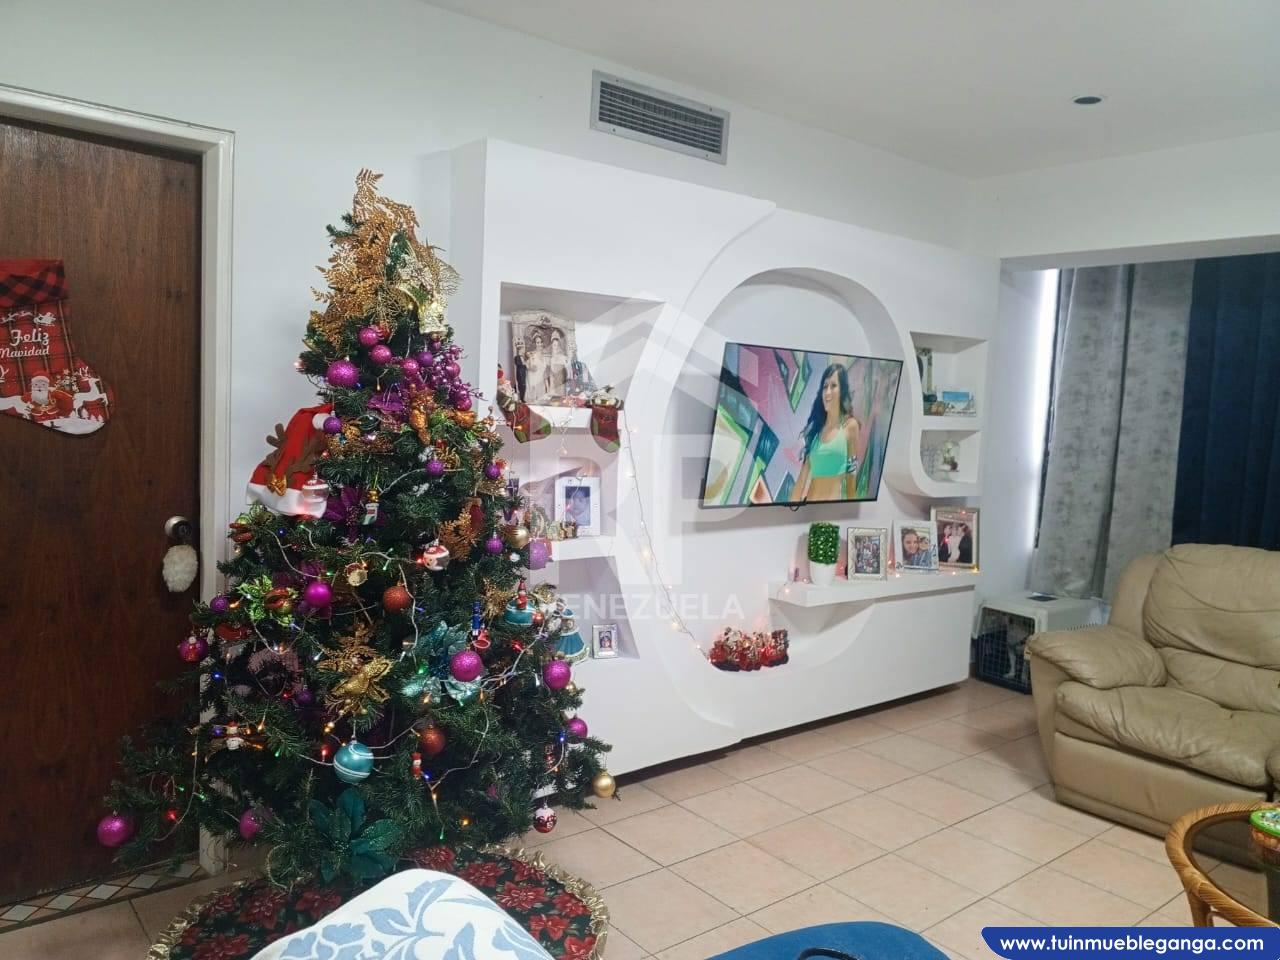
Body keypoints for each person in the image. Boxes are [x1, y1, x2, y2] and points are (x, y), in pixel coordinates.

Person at [790, 363, 860, 502]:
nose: (827, 392)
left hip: (833, 510)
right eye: (825, 386)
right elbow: (801, 480)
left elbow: (851, 478)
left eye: (833, 386)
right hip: (808, 508)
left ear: (842, 391)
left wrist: (852, 509)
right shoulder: (816, 431)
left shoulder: (850, 426)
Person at [524, 331, 548, 402]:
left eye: (541, 342)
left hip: (541, 384)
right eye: (537, 342)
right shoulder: (531, 355)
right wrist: (531, 367)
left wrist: (547, 386)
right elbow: (529, 368)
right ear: (535, 344)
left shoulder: (544, 356)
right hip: (533, 382)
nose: (539, 344)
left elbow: (544, 372)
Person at [547, 330, 571, 398]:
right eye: (554, 345)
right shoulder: (551, 359)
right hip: (554, 384)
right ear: (552, 346)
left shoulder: (563, 357)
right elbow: (551, 374)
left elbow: (568, 371)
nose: (556, 347)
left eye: (557, 345)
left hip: (562, 383)